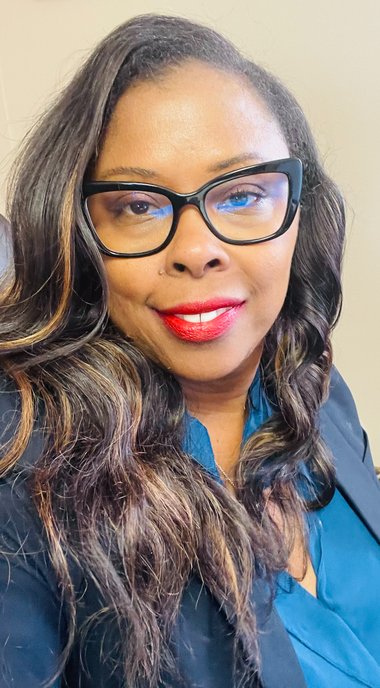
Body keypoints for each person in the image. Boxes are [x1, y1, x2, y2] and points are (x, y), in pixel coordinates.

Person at [0, 13, 379, 688]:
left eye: (241, 195)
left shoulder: (314, 384)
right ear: (78, 233)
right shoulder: (24, 462)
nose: (197, 251)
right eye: (139, 207)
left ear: (298, 210)